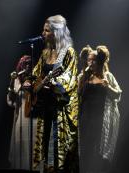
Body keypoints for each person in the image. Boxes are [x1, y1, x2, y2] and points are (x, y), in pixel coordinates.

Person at [30, 15, 79, 173]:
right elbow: (36, 74)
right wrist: (30, 83)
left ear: (56, 33)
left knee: (57, 150)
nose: (43, 33)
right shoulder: (45, 53)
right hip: (45, 108)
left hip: (60, 109)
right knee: (45, 148)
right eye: (43, 30)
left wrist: (54, 83)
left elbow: (69, 78)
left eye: (46, 30)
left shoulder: (68, 52)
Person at [78, 45, 122, 173]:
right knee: (84, 150)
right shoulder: (84, 77)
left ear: (100, 62)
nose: (90, 63)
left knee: (97, 151)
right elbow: (76, 97)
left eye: (94, 60)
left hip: (100, 120)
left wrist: (108, 87)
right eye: (89, 60)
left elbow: (118, 95)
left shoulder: (108, 76)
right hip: (85, 117)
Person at [7, 55, 37, 169]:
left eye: (30, 63)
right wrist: (11, 83)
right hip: (21, 118)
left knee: (34, 148)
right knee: (21, 148)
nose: (28, 66)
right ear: (21, 66)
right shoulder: (16, 80)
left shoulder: (36, 78)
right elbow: (10, 101)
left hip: (34, 118)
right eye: (25, 64)